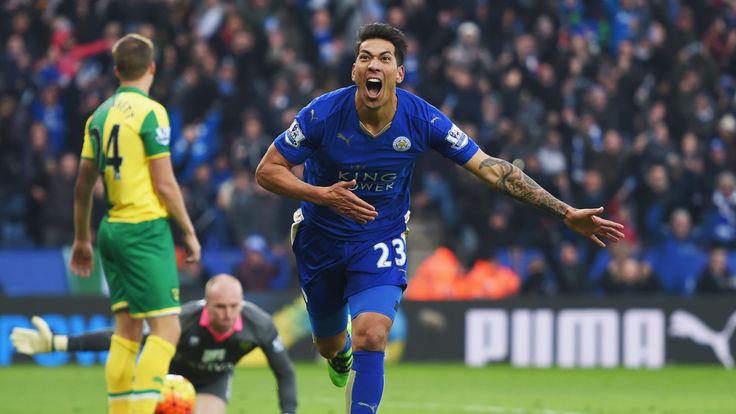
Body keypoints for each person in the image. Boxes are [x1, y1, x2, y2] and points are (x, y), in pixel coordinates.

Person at [255, 23, 625, 413]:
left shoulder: (422, 119)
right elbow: (267, 170)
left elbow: (490, 168)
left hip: (378, 238)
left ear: (398, 73)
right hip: (320, 239)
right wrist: (322, 196)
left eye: (384, 58)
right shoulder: (323, 114)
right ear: (354, 71)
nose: (373, 65)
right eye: (365, 58)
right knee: (328, 344)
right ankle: (338, 353)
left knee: (373, 333)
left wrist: (565, 211)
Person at [70, 33, 201, 414]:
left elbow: (82, 186)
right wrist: (189, 232)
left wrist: (82, 239)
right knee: (167, 330)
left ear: (115, 71)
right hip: (144, 229)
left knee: (127, 331)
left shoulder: (98, 115)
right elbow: (164, 181)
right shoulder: (151, 112)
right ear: (152, 68)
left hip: (110, 230)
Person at [11, 274, 297, 414]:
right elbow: (125, 339)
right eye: (220, 306)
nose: (228, 313)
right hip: (167, 377)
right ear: (206, 304)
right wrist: (59, 343)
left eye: (234, 306)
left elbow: (284, 372)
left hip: (213, 379)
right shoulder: (182, 321)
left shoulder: (259, 325)